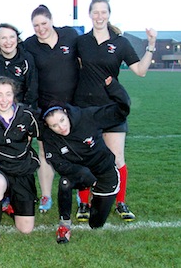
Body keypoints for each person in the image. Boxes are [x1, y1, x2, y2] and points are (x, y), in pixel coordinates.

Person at [74, 0, 157, 222]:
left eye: (103, 12)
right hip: (85, 108)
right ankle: (83, 203)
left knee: (117, 157)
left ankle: (120, 202)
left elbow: (140, 70)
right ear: (90, 14)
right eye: (95, 12)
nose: (99, 16)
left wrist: (151, 44)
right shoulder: (80, 42)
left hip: (112, 108)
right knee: (85, 156)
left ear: (108, 14)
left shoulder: (120, 43)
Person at [41, 76, 130, 243]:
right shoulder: (49, 137)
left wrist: (114, 88)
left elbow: (121, 111)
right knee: (65, 182)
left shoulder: (87, 116)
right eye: (54, 125)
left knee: (96, 224)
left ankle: (97, 202)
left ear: (66, 113)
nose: (61, 127)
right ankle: (64, 225)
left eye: (62, 120)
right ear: (48, 126)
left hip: (105, 173)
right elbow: (59, 164)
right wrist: (86, 176)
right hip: (82, 174)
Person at [23, 5, 80, 213]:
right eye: (36, 25)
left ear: (51, 20)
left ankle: (80, 192)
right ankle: (46, 195)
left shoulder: (70, 35)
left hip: (72, 106)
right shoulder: (30, 45)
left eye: (44, 23)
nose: (40, 29)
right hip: (44, 108)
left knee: (75, 149)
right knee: (45, 152)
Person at [0, 76, 40, 250]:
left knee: (26, 228)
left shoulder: (27, 115)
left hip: (22, 167)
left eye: (8, 94)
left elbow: (31, 137)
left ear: (14, 95)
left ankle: (9, 205)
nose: (4, 99)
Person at [0, 23, 38, 108]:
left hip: (18, 109)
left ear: (17, 38)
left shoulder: (26, 59)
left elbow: (32, 89)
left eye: (12, 37)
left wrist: (26, 110)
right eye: (3, 38)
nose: (8, 42)